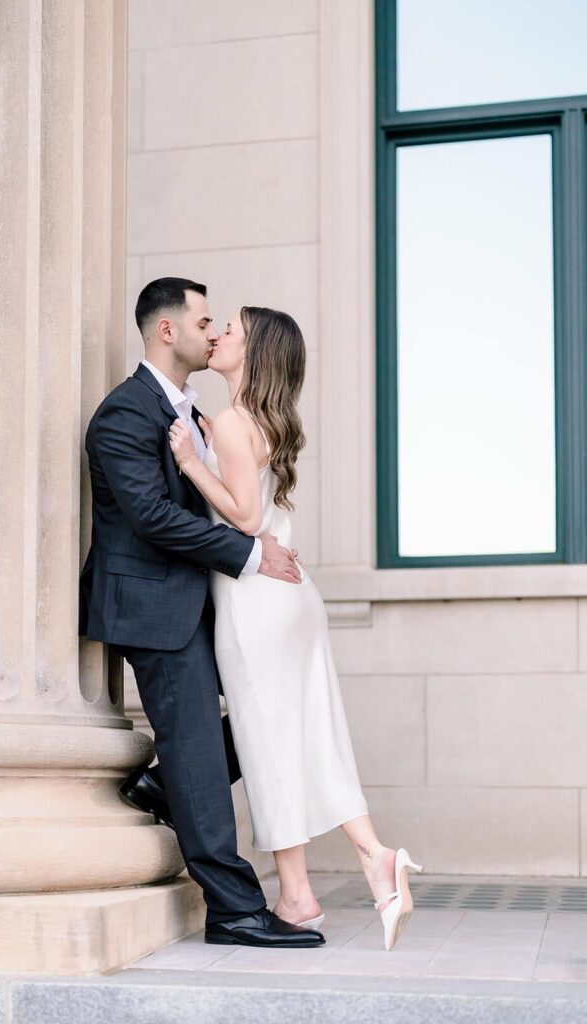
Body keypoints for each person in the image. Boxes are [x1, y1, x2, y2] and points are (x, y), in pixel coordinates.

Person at [167, 305, 422, 952]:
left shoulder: (230, 421)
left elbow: (246, 521)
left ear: (254, 352)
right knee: (313, 734)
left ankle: (303, 892)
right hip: (293, 601)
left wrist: (192, 464)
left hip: (256, 601)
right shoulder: (265, 421)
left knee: (268, 743)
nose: (218, 333)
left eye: (232, 329)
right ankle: (371, 859)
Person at [79, 278, 324, 948]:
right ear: (167, 331)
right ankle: (236, 910)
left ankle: (162, 786)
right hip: (153, 606)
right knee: (195, 747)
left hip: (200, 603)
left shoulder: (194, 413)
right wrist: (249, 553)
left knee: (260, 722)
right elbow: (153, 518)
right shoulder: (125, 414)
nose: (215, 334)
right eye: (205, 321)